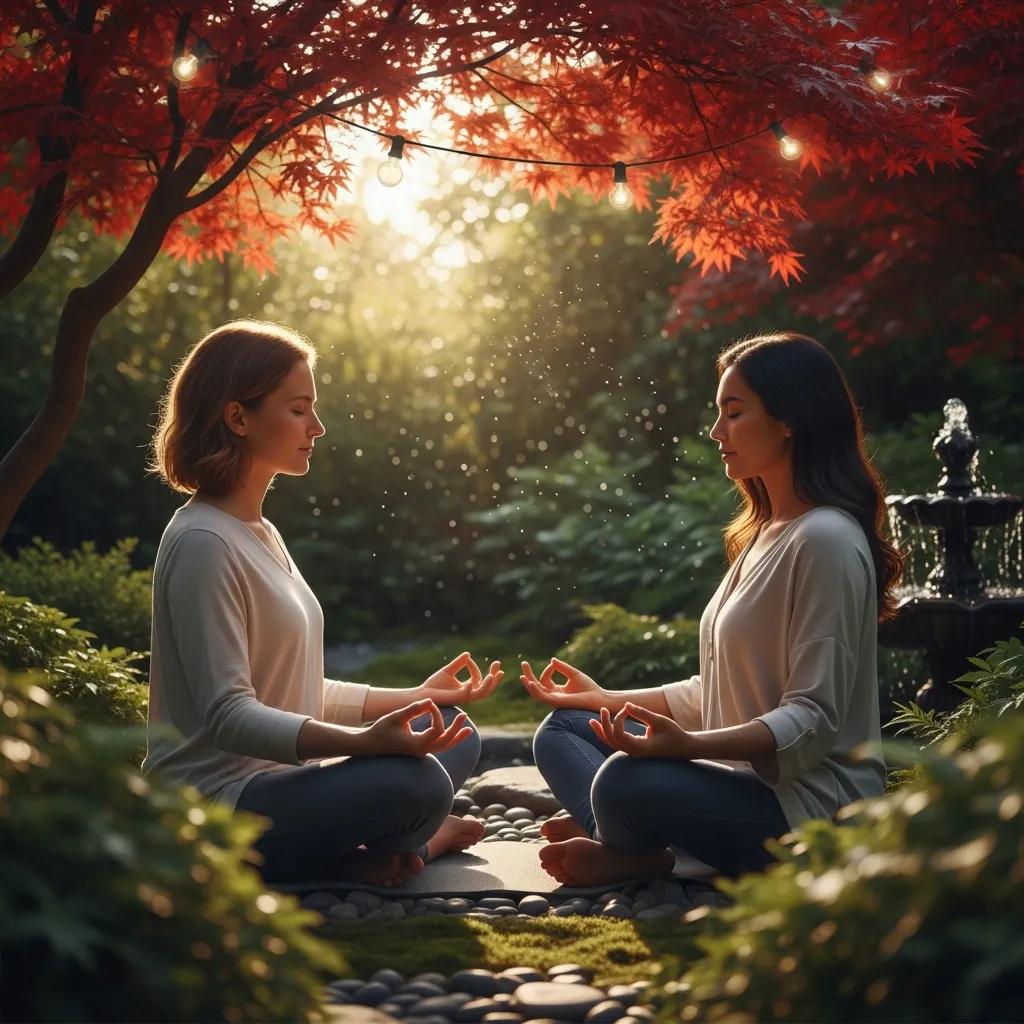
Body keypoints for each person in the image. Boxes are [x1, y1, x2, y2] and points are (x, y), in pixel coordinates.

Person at [522, 332, 902, 886]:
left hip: (807, 814)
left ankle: (627, 840)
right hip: (732, 783)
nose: (716, 432)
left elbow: (812, 720)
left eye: (734, 413)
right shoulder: (765, 532)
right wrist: (603, 699)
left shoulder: (826, 541)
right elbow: (715, 691)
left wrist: (688, 748)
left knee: (625, 780)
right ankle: (629, 840)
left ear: (789, 418)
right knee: (565, 729)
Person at [143, 320, 504, 887]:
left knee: (453, 727)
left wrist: (411, 699)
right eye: (298, 409)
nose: (317, 426)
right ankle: (406, 845)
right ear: (238, 418)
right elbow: (229, 716)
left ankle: (368, 851)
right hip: (217, 809)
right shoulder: (202, 544)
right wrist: (363, 742)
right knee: (421, 784)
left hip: (283, 784)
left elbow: (297, 687)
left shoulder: (259, 532)